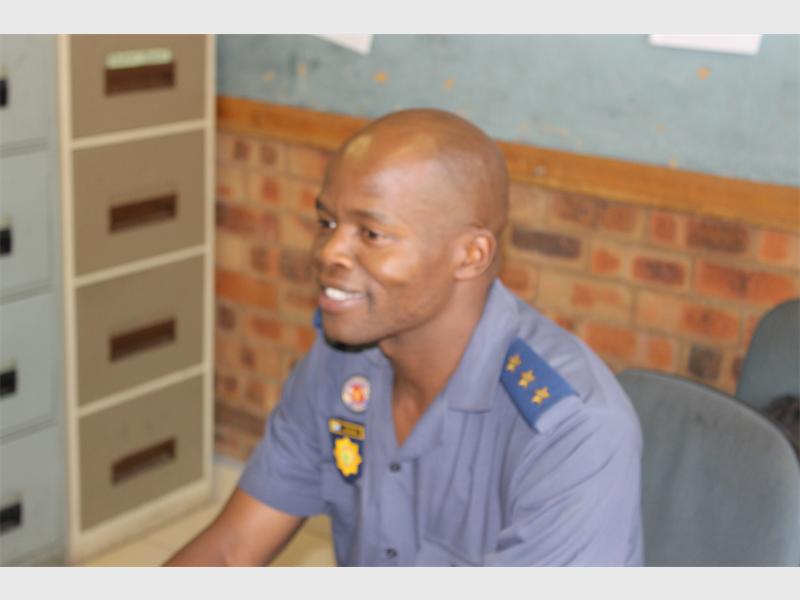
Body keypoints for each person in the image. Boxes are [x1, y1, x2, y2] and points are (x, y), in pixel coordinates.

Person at [165, 108, 643, 566]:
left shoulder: (572, 430)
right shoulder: (342, 356)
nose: (329, 252)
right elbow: (230, 553)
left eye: (371, 233)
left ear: (471, 255)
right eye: (327, 223)